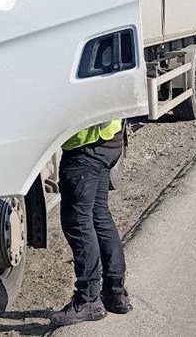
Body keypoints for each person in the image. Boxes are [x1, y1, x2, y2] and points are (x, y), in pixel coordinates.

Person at [50, 119, 132, 327]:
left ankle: (88, 299)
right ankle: (115, 293)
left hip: (86, 146)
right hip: (109, 140)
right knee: (99, 215)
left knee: (78, 223)